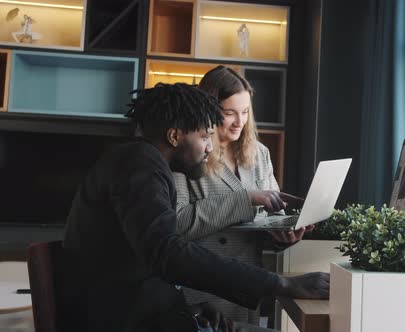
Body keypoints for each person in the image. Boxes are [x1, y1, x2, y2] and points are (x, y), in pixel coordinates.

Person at [61, 83, 329, 332]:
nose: (210, 147)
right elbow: (168, 254)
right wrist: (282, 284)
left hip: (147, 314)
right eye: (205, 136)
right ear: (175, 136)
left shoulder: (140, 161)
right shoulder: (139, 167)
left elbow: (146, 261)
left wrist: (190, 308)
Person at [173, 66, 312, 325]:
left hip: (247, 289)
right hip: (203, 291)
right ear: (208, 111)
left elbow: (271, 214)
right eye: (230, 113)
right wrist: (246, 198)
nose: (240, 121)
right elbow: (177, 223)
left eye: (245, 112)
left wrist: (282, 235)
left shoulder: (259, 153)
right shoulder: (187, 153)